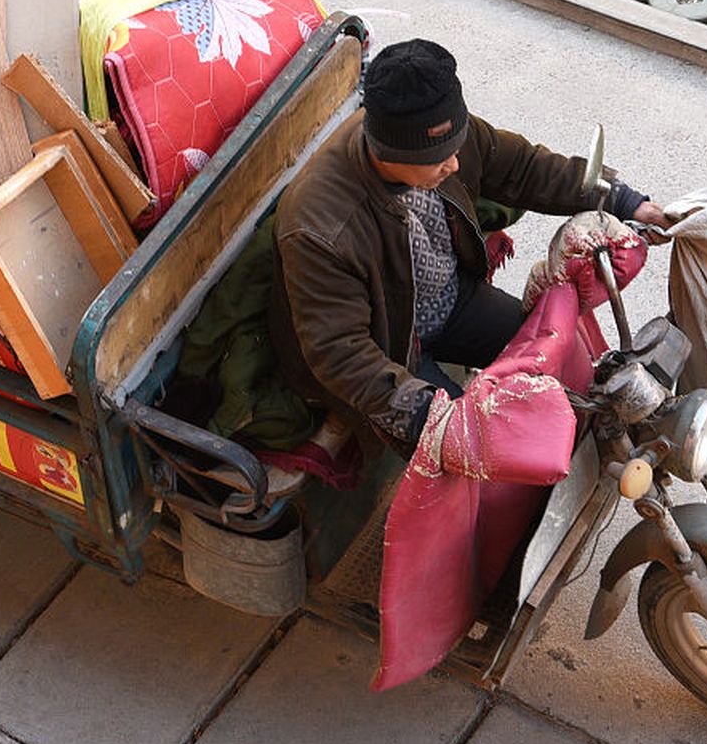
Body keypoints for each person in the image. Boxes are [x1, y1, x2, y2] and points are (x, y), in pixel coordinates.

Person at [268, 39, 663, 450]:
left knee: (567, 364)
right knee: (486, 454)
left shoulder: (443, 136)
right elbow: (340, 355)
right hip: (390, 348)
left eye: (455, 148)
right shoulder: (319, 228)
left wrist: (624, 201)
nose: (454, 165)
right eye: (439, 157)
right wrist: (430, 414)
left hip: (452, 301)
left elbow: (523, 167)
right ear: (385, 151)